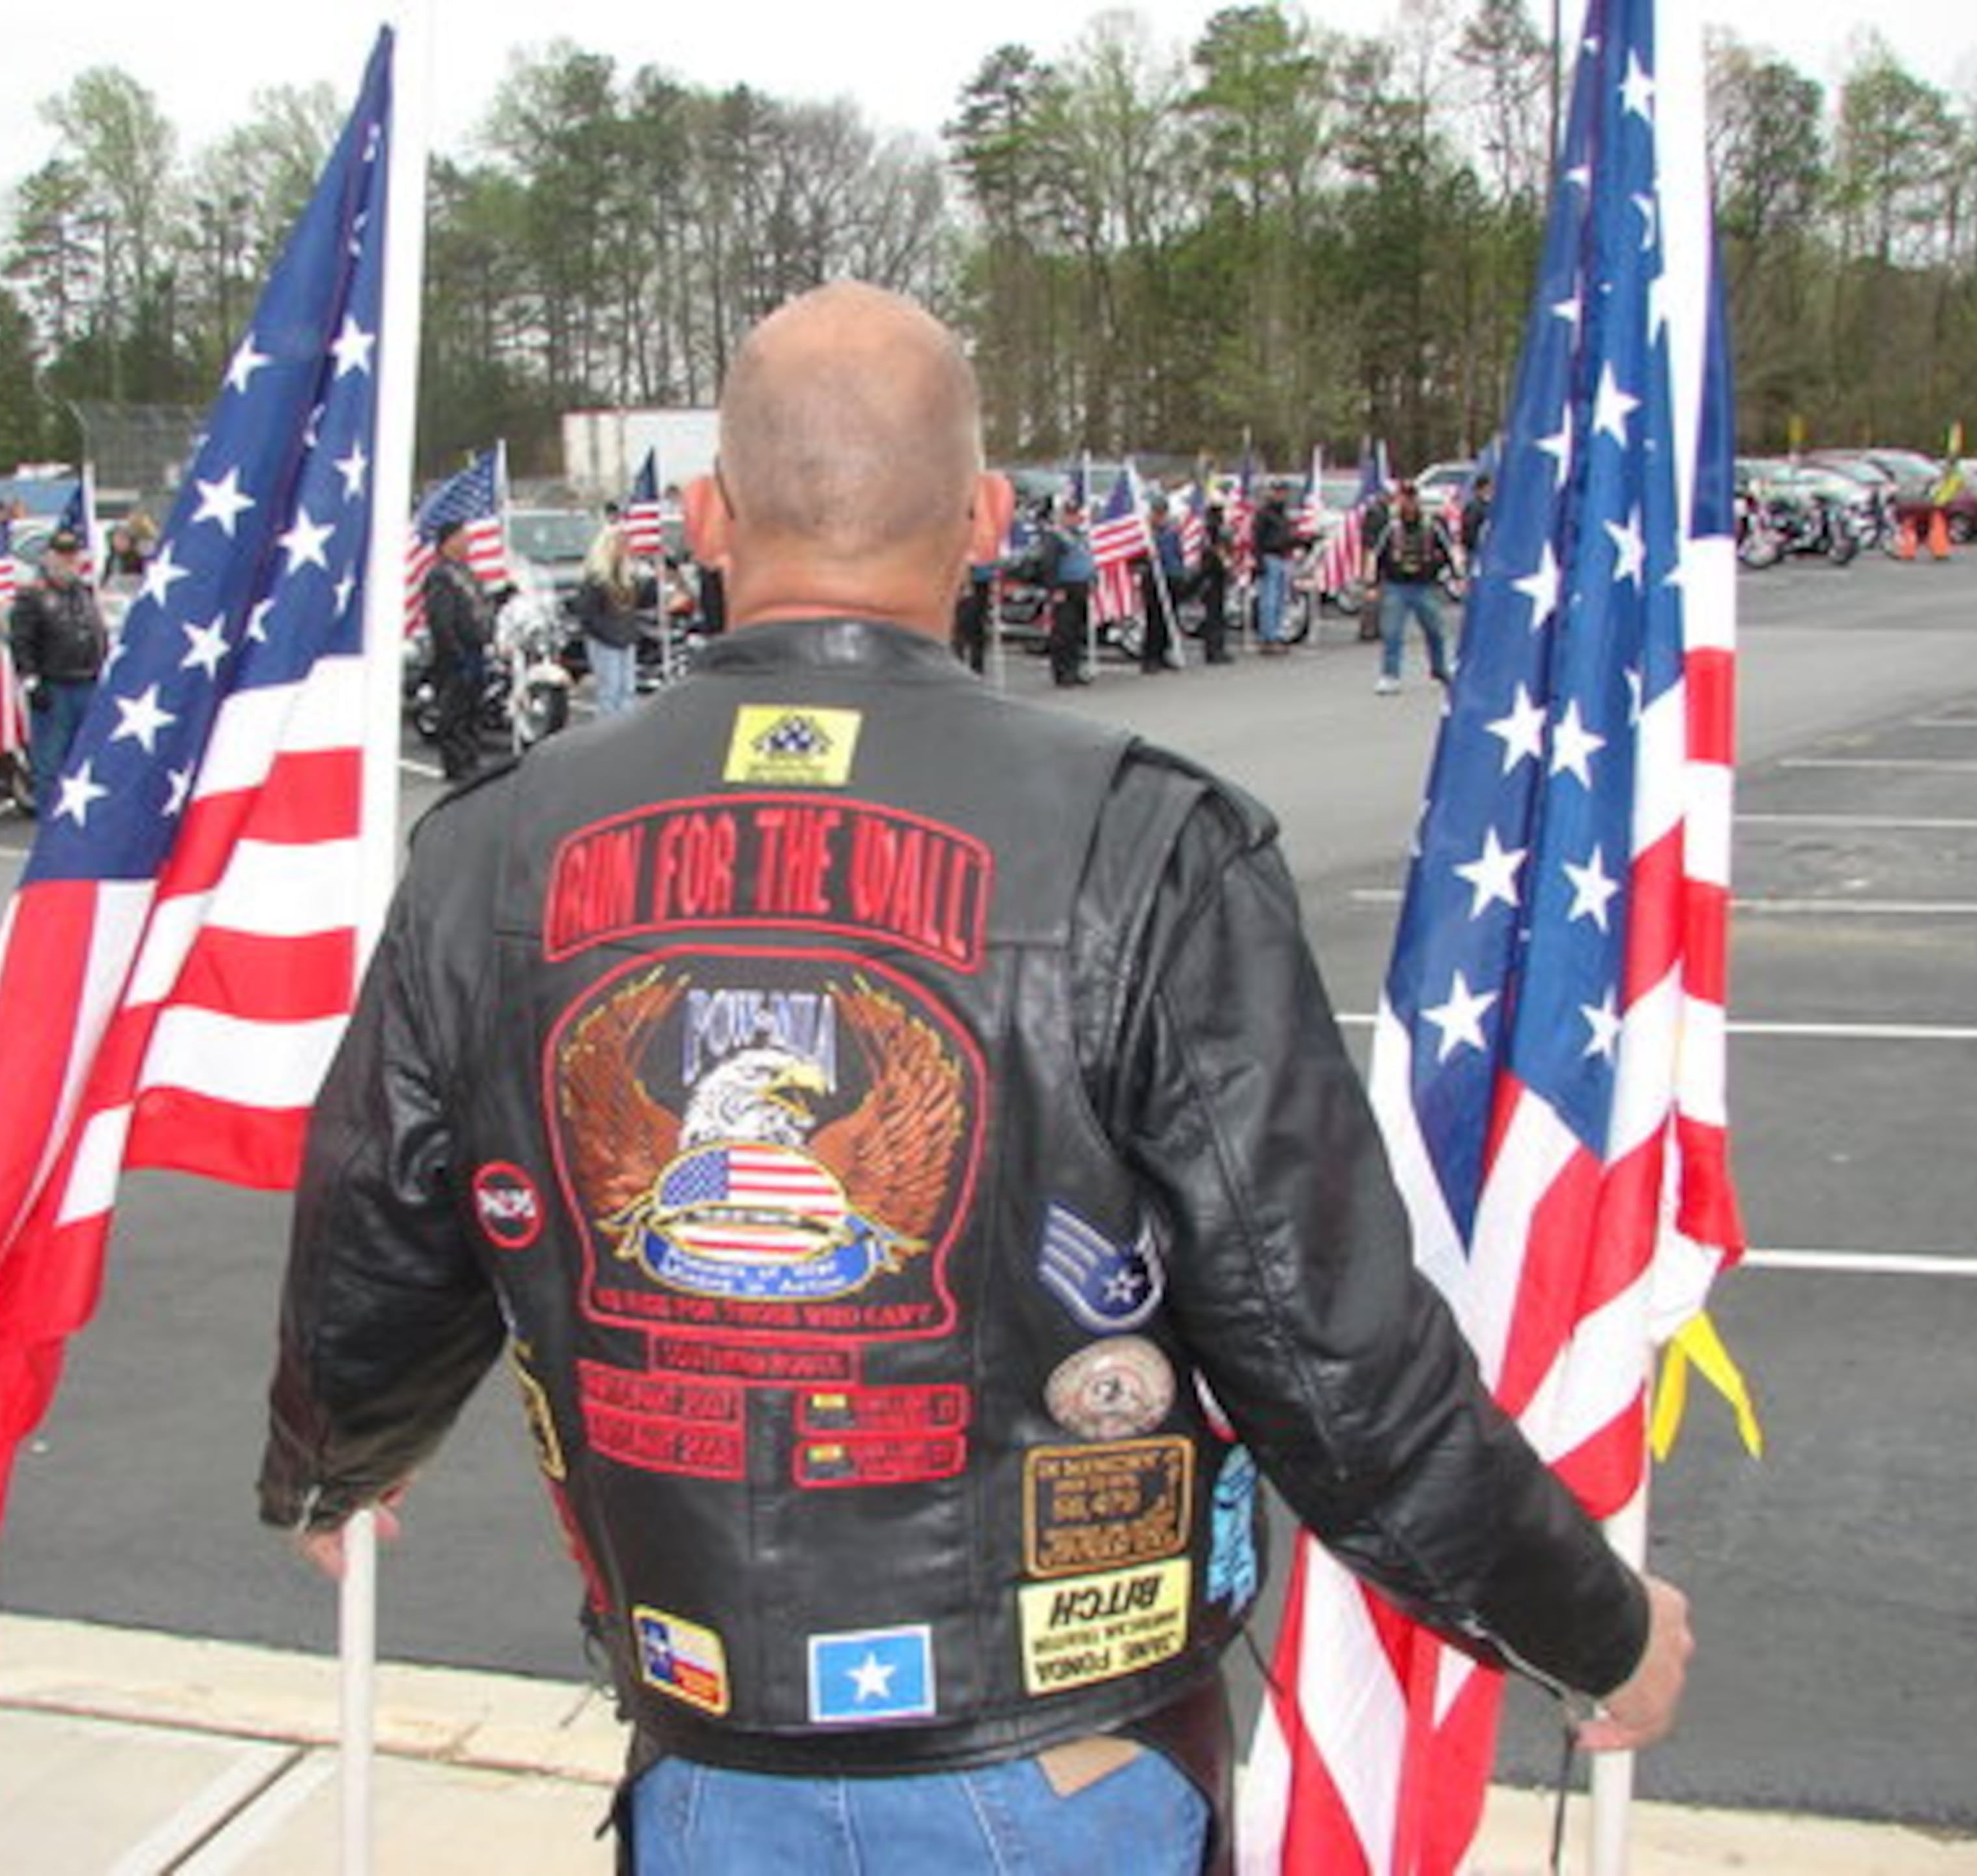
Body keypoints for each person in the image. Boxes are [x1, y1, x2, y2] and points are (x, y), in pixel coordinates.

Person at [257, 283, 1691, 1875]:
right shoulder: (1144, 842)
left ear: (706, 517)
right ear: (991, 519)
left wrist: (338, 1457)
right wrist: (1589, 1622)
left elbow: (384, 1223)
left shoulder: (488, 850)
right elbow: (1328, 1358)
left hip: (705, 1746)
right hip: (1061, 1762)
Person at [10, 527, 108, 815]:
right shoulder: (33, 598)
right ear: (48, 558)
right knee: (51, 761)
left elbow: (98, 636)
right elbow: (21, 643)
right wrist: (30, 681)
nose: (67, 562)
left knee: (87, 759)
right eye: (61, 556)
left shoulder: (85, 594)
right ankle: (51, 821)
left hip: (88, 683)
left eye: (72, 555)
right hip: (55, 687)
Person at [1367, 479, 1457, 694]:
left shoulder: (1432, 526)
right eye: (1405, 499)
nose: (1409, 504)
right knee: (1393, 632)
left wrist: (1456, 575)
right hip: (1396, 586)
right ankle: (1390, 675)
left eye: (1412, 499)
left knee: (1435, 630)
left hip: (1424, 586)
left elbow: (1448, 551)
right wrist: (1372, 584)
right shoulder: (1391, 528)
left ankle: (1440, 668)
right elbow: (1378, 555)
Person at [421, 522, 493, 781]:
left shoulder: (466, 572)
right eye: (463, 538)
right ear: (449, 541)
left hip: (476, 649)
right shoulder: (440, 576)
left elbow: (478, 607)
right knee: (455, 710)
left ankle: (471, 758)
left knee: (473, 707)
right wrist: (455, 653)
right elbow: (441, 620)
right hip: (456, 654)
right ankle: (456, 764)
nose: (469, 542)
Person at [578, 510, 643, 719]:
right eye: (620, 543)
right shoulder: (596, 581)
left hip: (625, 639)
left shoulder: (628, 579)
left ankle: (625, 735)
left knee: (628, 691)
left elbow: (637, 605)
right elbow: (588, 615)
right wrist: (609, 635)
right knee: (610, 692)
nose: (625, 548)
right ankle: (608, 736)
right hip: (606, 641)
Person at [1048, 498, 1093, 687]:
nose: (1073, 519)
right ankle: (1062, 672)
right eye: (1069, 515)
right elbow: (1049, 565)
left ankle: (1074, 669)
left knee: (1077, 632)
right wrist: (1055, 588)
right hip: (1065, 587)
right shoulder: (1056, 537)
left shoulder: (1082, 537)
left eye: (1076, 515)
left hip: (1081, 587)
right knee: (1063, 632)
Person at [1251, 479, 1298, 653]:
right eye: (1278, 491)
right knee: (1268, 601)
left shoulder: (1283, 515)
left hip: (1283, 557)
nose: (1282, 495)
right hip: (1269, 557)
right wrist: (1259, 560)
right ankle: (1267, 637)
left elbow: (1286, 537)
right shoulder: (1264, 514)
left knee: (1280, 599)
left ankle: (1277, 634)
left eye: (1284, 492)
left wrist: (1300, 541)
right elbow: (1257, 539)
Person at [1139, 496, 1182, 674]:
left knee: (1169, 618)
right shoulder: (1145, 532)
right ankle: (1150, 657)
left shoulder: (1171, 531)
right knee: (1154, 619)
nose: (1160, 516)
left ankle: (1164, 652)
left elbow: (1178, 552)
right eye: (1157, 512)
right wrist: (1146, 559)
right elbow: (1136, 557)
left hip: (1172, 575)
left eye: (1163, 512)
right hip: (1153, 577)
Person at [1197, 503, 1232, 664]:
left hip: (1217, 575)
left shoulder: (1218, 530)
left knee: (1218, 613)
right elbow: (1211, 553)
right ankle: (1213, 650)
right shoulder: (1208, 532)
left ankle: (1218, 647)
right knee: (1214, 614)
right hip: (1211, 575)